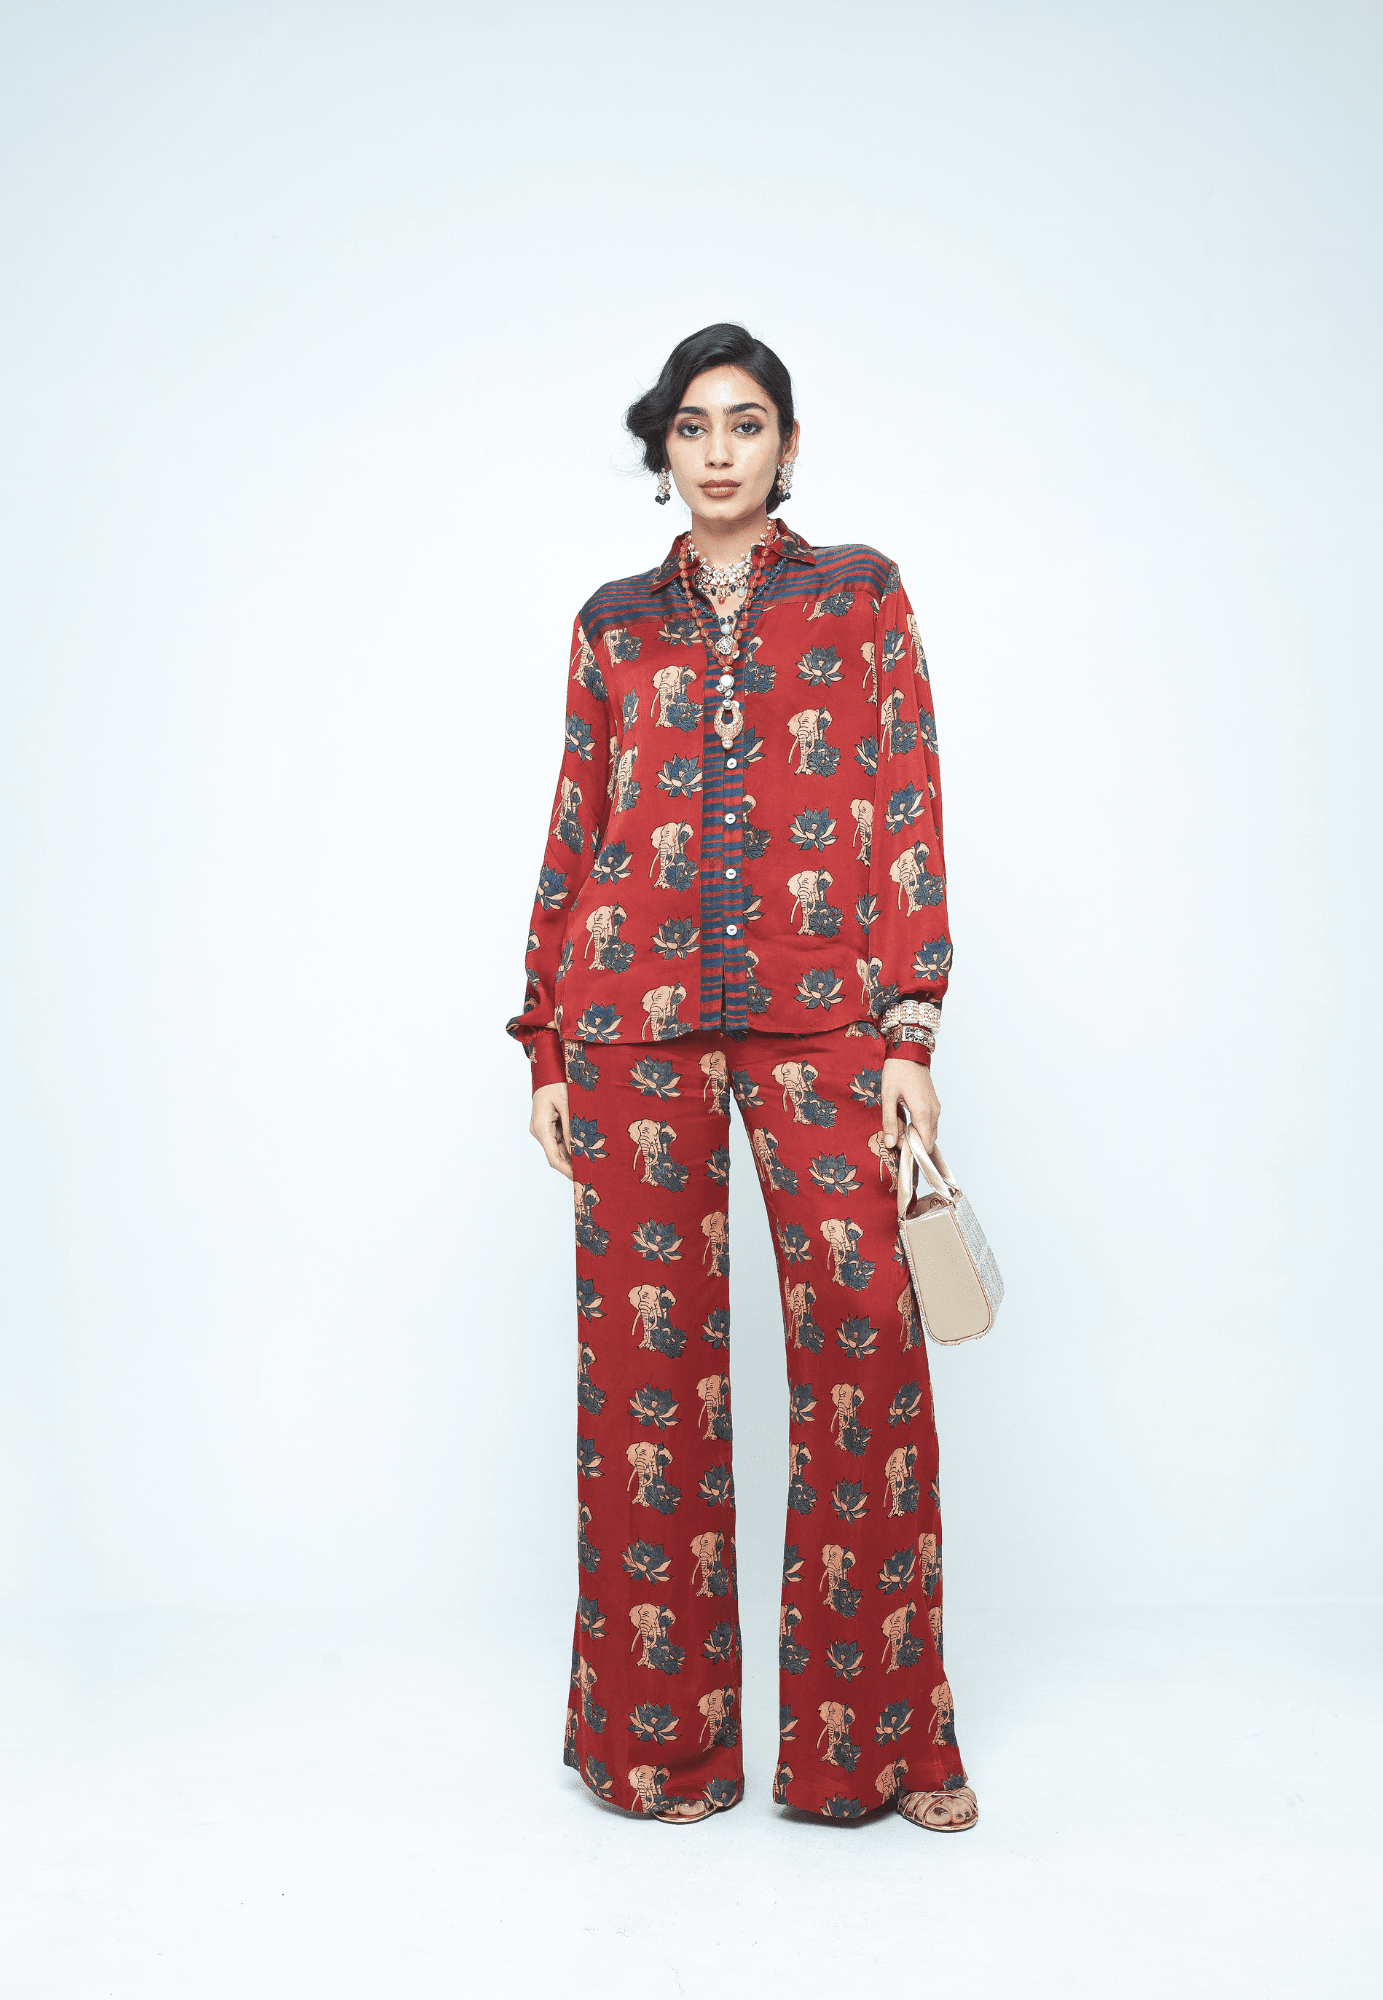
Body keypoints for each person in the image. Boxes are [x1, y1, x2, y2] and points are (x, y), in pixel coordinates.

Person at [506, 323, 978, 1832]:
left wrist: (908, 1031)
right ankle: (659, 1753)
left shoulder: (860, 596)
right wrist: (543, 1035)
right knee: (645, 1391)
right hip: (626, 1020)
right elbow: (578, 821)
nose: (720, 450)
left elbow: (905, 794)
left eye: (747, 423)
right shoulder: (612, 624)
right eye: (693, 427)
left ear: (787, 443)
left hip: (821, 1012)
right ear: (664, 452)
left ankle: (878, 1754)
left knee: (864, 1349)